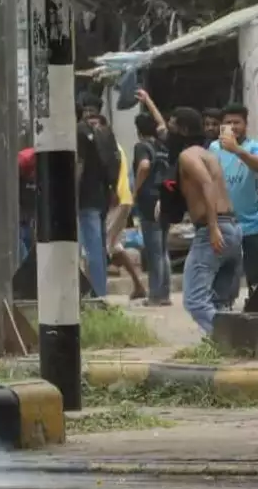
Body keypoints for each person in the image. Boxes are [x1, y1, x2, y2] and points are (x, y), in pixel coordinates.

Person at [170, 108, 240, 335]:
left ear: (182, 129)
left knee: (195, 300)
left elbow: (207, 184)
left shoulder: (188, 156)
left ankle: (232, 342)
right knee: (219, 303)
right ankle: (229, 345)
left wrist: (212, 228)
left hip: (215, 229)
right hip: (231, 227)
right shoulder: (209, 154)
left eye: (172, 126)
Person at [211, 104, 258, 305]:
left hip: (252, 220)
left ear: (245, 124)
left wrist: (236, 150)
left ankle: (257, 306)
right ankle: (224, 307)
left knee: (254, 271)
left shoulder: (255, 147)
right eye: (228, 122)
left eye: (237, 122)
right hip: (225, 221)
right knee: (226, 269)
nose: (233, 126)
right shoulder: (213, 148)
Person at [76, 105, 121, 298]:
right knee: (99, 248)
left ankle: (97, 294)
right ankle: (100, 291)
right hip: (102, 196)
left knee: (91, 249)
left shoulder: (81, 133)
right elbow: (115, 165)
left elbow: (79, 167)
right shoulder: (107, 136)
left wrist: (72, 193)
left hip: (86, 197)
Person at [129, 109, 172, 305]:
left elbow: (144, 166)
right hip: (165, 198)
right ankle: (164, 294)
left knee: (154, 251)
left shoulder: (141, 146)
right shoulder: (162, 146)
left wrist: (135, 189)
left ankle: (155, 295)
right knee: (163, 250)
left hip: (149, 200)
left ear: (138, 130)